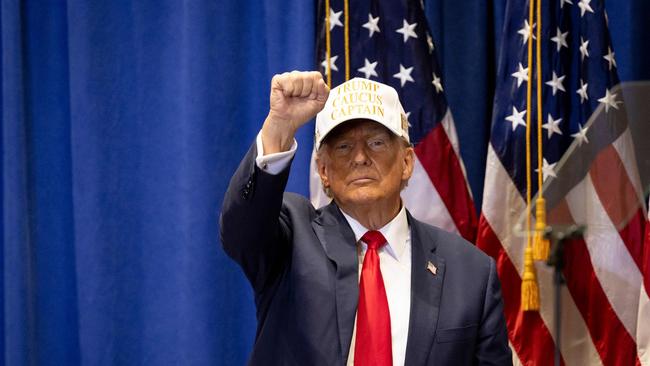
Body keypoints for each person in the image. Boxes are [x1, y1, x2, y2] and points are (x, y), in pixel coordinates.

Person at [220, 71, 512, 365]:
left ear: (407, 162)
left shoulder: (471, 272)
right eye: (344, 147)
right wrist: (279, 129)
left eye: (376, 143)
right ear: (323, 171)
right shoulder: (290, 238)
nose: (359, 157)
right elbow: (241, 230)